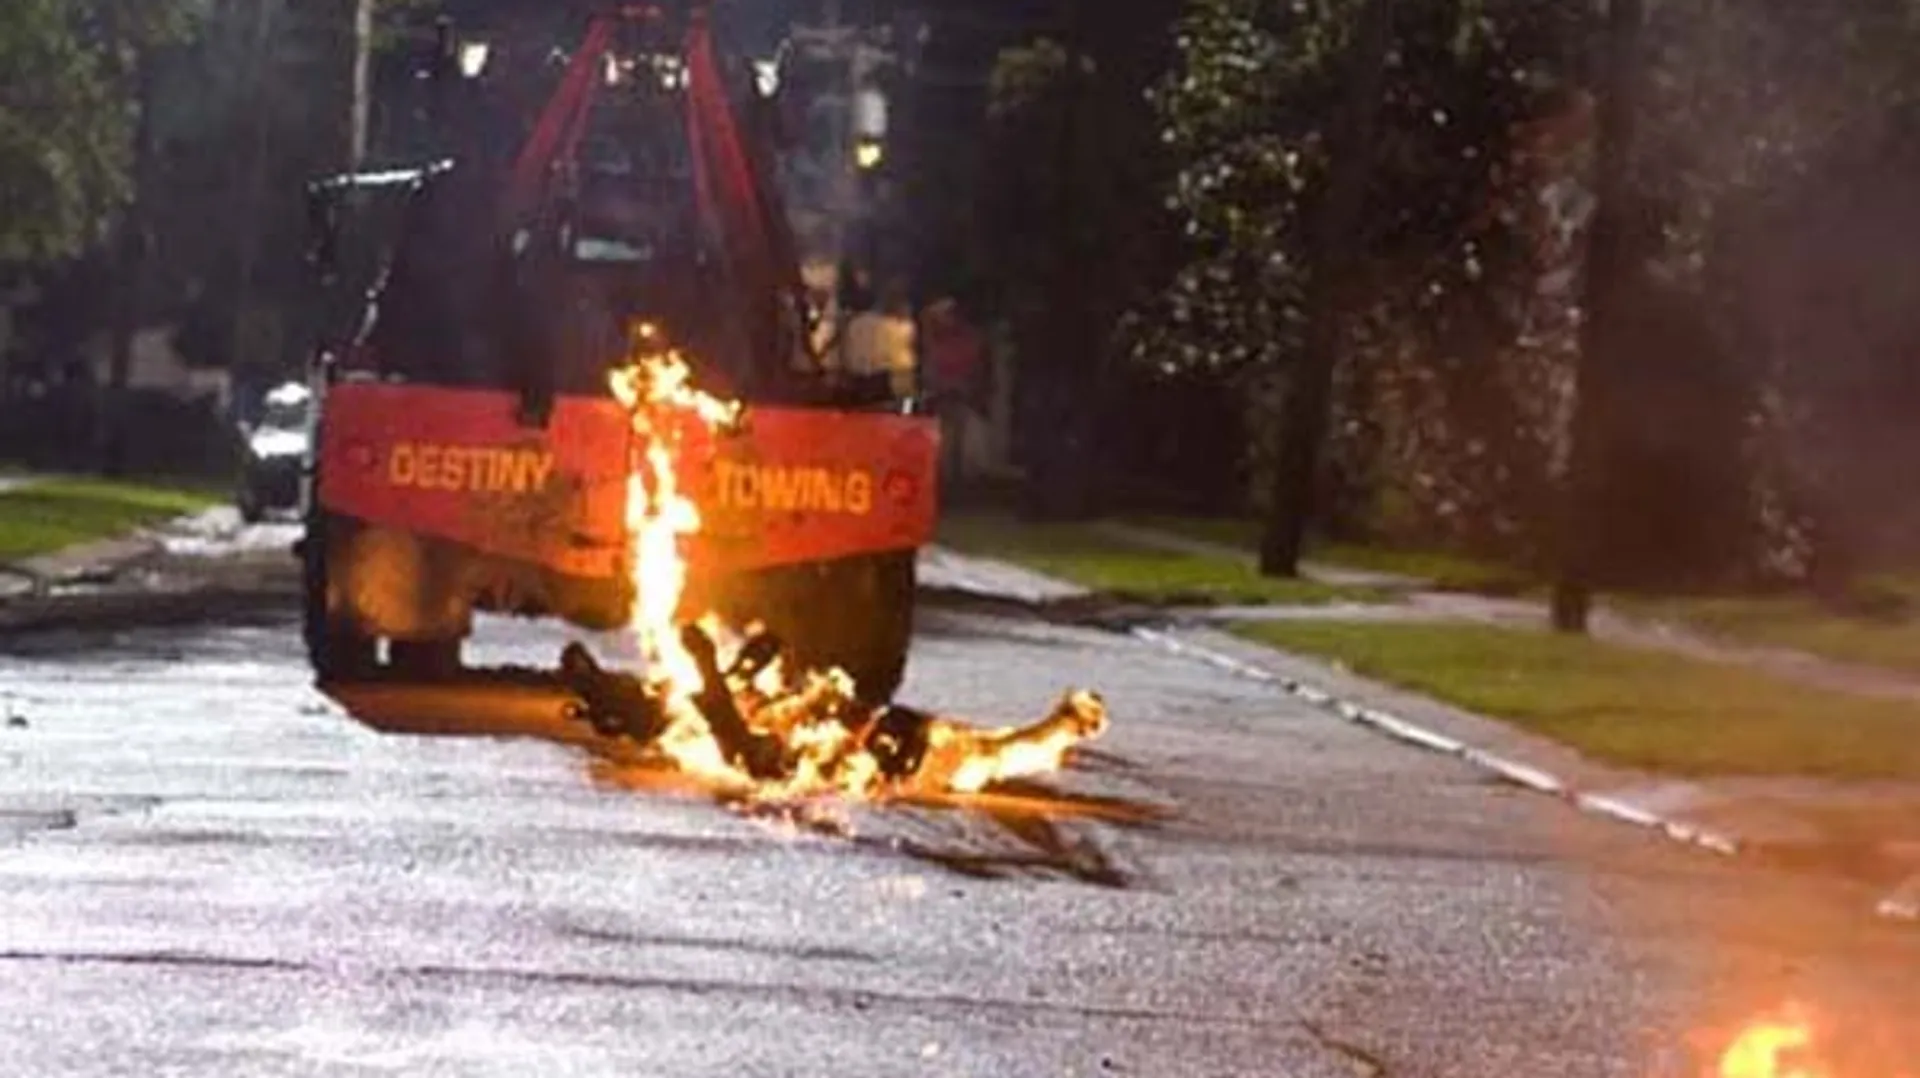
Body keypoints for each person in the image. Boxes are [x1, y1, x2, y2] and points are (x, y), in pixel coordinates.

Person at [920, 297, 988, 484]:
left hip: (958, 395)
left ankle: (954, 477)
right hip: (946, 394)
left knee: (956, 438)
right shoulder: (939, 340)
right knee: (948, 439)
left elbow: (977, 369)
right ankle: (949, 476)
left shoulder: (967, 340)